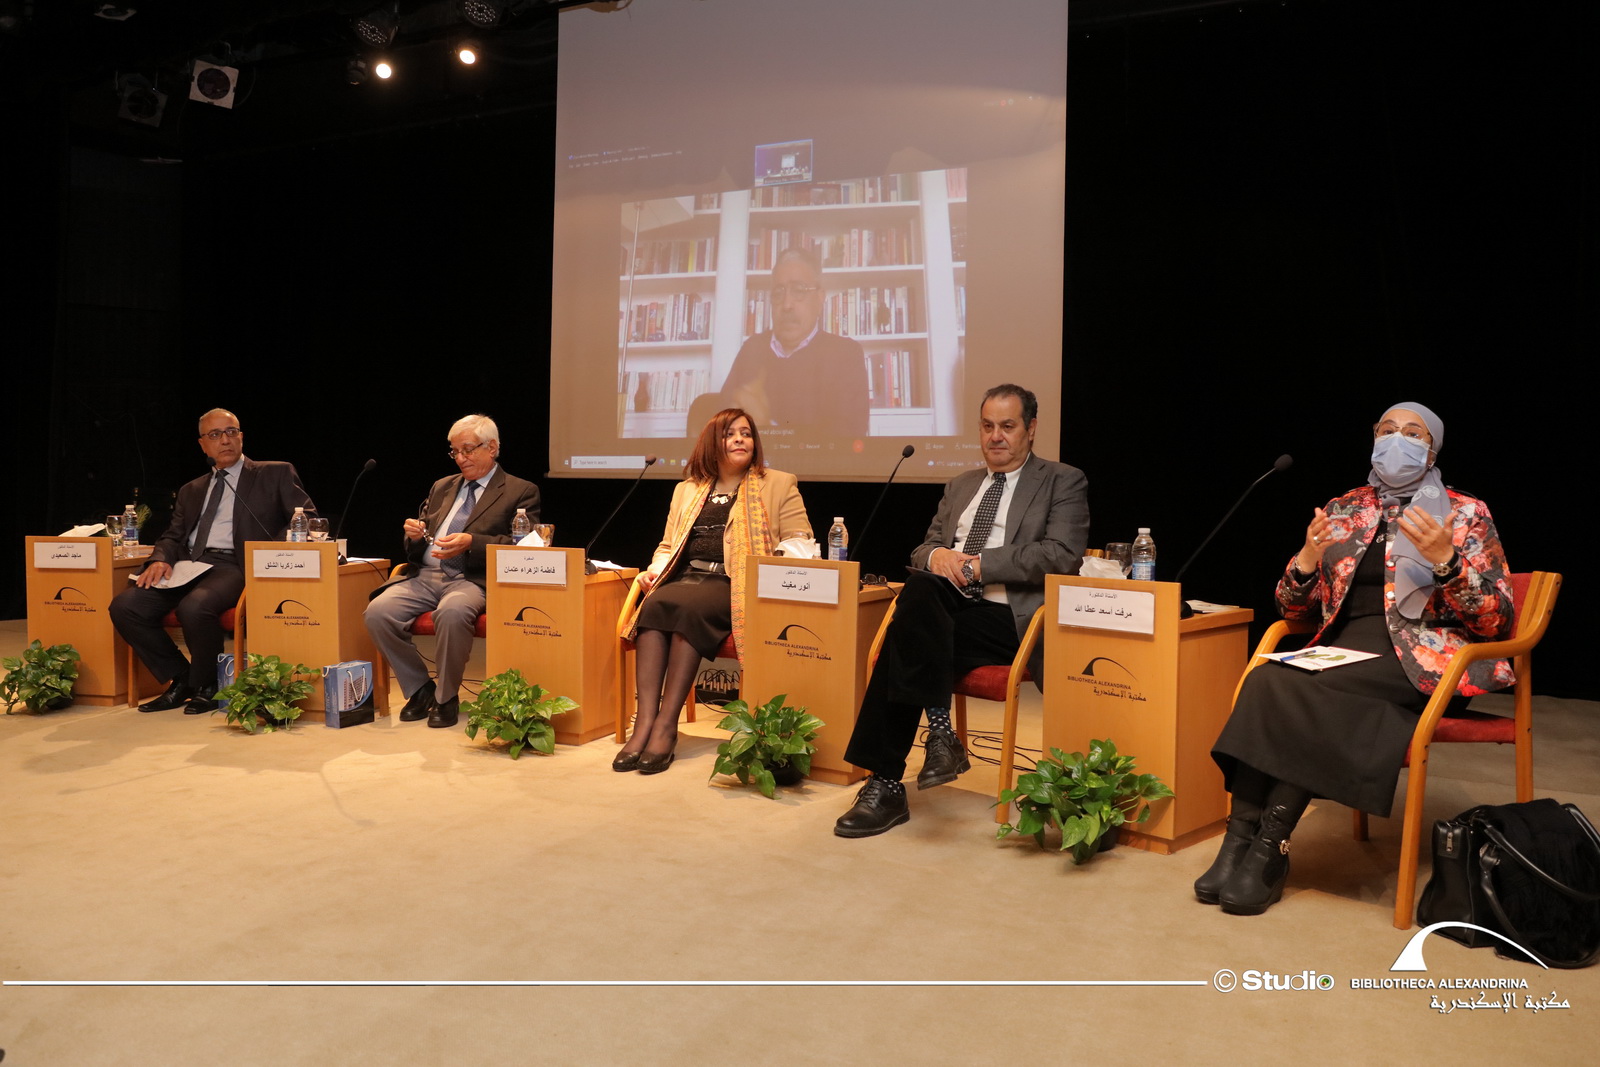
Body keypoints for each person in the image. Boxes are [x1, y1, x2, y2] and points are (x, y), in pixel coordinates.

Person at [1198, 403, 1515, 916]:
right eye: (1387, 430)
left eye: (1412, 433)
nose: (1397, 439)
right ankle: (1237, 842)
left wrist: (1447, 561)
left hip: (1423, 657)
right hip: (1343, 648)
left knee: (1309, 690)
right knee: (1267, 679)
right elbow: (1292, 610)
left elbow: (1496, 620)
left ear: (1432, 450)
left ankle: (1269, 849)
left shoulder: (1465, 512)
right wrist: (1305, 559)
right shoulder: (1345, 508)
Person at [834, 384, 1090, 837]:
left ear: (1031, 429)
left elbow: (1061, 554)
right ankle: (935, 739)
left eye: (1007, 426)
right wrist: (938, 558)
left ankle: (889, 779)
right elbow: (924, 548)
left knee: (905, 633)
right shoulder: (961, 485)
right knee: (920, 593)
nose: (996, 436)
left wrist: (978, 566)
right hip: (947, 608)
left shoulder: (1062, 480)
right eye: (987, 426)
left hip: (1008, 617)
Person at [617, 408, 811, 774]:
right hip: (687, 576)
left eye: (746, 433)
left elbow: (799, 541)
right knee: (655, 605)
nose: (740, 439)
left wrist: (773, 565)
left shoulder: (779, 483)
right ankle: (644, 723)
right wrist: (655, 570)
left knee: (688, 609)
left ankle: (665, 726)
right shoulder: (687, 489)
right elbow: (667, 545)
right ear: (712, 443)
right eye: (730, 434)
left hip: (735, 583)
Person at [111, 408, 316, 715]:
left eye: (231, 432)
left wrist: (269, 551)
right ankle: (182, 677)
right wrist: (159, 559)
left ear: (241, 437)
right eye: (215, 435)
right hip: (189, 565)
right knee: (126, 606)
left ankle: (208, 685)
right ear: (202, 444)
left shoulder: (274, 473)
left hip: (235, 564)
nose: (225, 440)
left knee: (194, 606)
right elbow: (172, 536)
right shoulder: (191, 490)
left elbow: (306, 518)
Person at [364, 414, 541, 729]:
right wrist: (414, 535)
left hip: (471, 579)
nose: (461, 458)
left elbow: (527, 546)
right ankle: (420, 688)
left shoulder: (520, 490)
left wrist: (472, 543)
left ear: (492, 448)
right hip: (424, 576)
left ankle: (446, 697)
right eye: (455, 451)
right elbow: (417, 542)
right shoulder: (442, 486)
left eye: (468, 450)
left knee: (452, 612)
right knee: (377, 613)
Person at [714, 246, 870, 439]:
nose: (786, 304)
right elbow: (719, 426)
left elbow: (848, 437)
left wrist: (765, 428)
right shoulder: (752, 349)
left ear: (820, 298)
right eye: (779, 292)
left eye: (798, 290)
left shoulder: (845, 354)